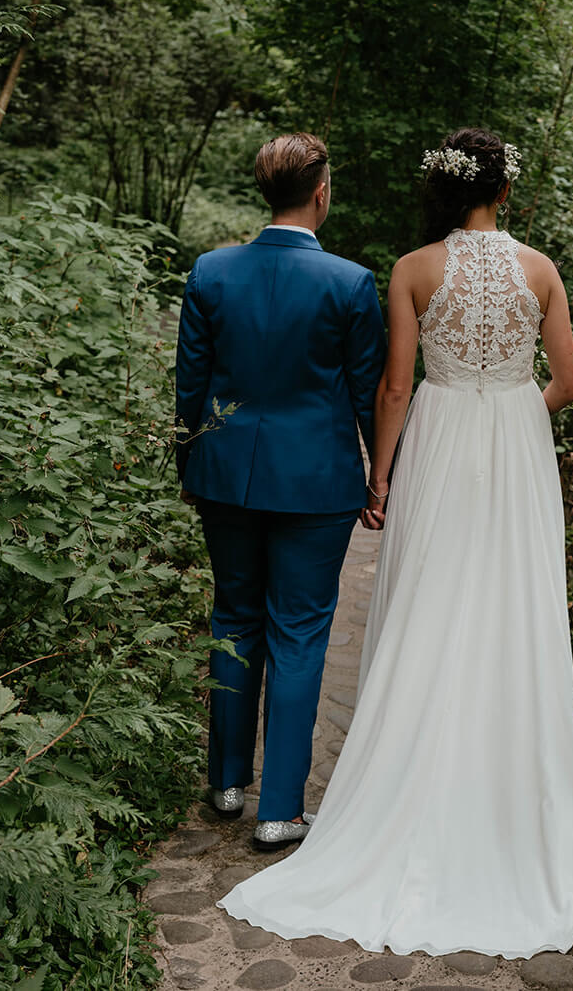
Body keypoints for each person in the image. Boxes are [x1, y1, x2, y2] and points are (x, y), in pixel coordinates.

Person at [218, 127, 573, 958]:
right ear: (505, 189)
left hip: (438, 437)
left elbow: (394, 385)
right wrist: (512, 420)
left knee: (430, 599)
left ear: (441, 188)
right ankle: (503, 791)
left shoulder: (413, 269)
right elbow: (566, 382)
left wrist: (379, 480)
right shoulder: (543, 270)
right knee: (510, 609)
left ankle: (398, 782)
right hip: (515, 451)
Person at [174, 132, 387, 850]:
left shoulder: (211, 271)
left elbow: (190, 389)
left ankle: (226, 782)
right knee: (298, 632)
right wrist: (380, 478)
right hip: (318, 484)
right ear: (321, 191)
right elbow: (368, 393)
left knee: (233, 618)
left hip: (225, 475)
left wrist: (190, 469)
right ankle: (280, 808)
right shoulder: (352, 283)